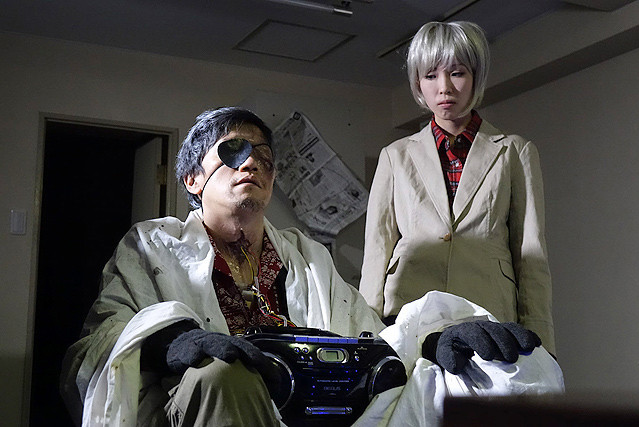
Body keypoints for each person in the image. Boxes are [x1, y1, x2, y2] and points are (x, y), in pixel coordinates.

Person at [60, 107, 561, 427]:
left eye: (263, 157)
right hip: (207, 404)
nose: (251, 163)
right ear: (193, 177)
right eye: (233, 151)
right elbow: (92, 349)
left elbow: (369, 341)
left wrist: (434, 339)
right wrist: (166, 342)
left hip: (314, 407)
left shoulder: (306, 256)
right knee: (223, 377)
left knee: (489, 373)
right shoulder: (151, 246)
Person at [359, 21, 555, 354]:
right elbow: (378, 249)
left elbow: (530, 253)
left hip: (488, 311)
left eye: (457, 73)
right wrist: (365, 334)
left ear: (477, 76)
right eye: (430, 75)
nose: (444, 88)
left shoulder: (514, 151)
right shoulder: (395, 155)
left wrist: (541, 342)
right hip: (409, 311)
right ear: (417, 82)